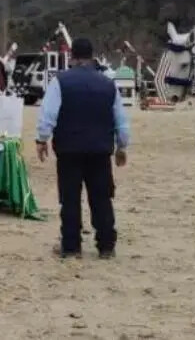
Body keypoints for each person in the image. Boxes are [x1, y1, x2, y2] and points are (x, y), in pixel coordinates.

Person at [36, 38, 130, 259]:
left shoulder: (60, 82)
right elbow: (121, 120)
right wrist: (122, 146)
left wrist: (42, 139)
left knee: (69, 198)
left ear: (72, 56)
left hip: (69, 149)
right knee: (102, 197)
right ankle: (106, 246)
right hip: (100, 150)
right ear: (92, 56)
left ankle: (71, 247)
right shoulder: (109, 84)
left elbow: (48, 115)